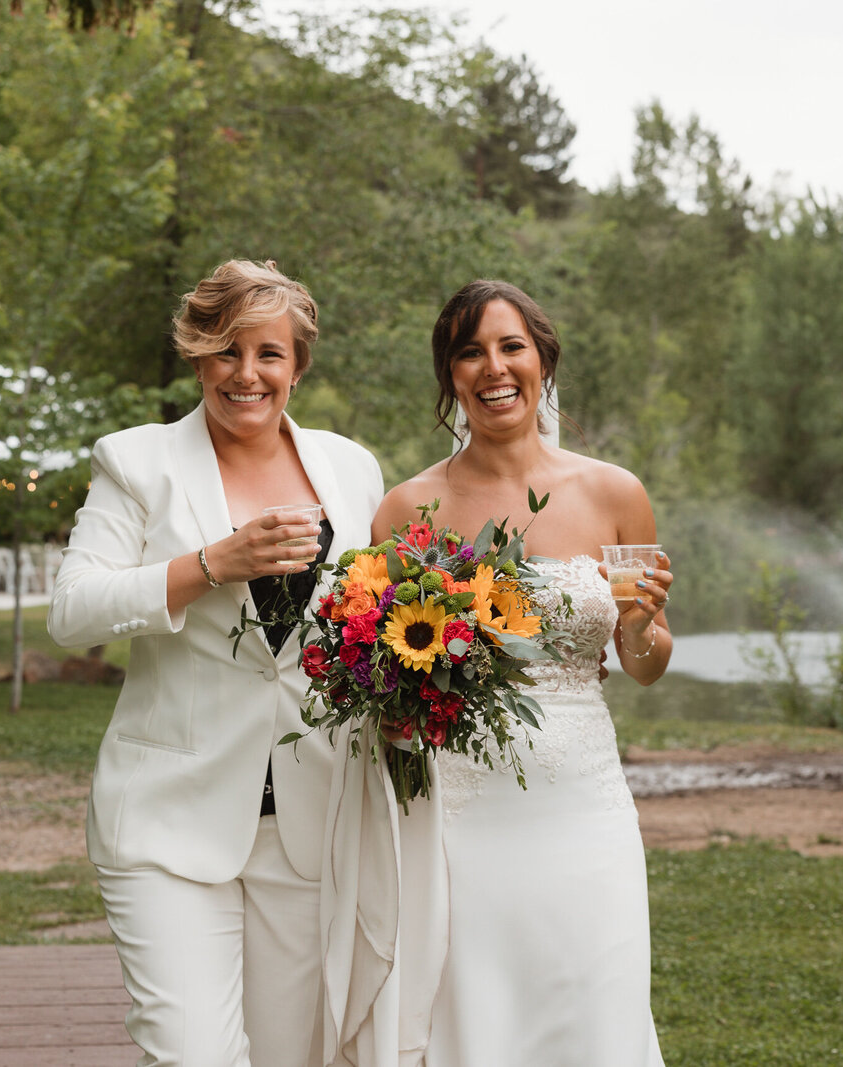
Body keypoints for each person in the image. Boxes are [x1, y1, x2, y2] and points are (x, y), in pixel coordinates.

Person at [322, 280, 674, 1066]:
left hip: (584, 806)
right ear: (450, 376)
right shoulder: (407, 508)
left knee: (594, 999)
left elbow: (643, 667)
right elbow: (381, 672)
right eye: (469, 352)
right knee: (475, 1016)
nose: (494, 367)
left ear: (543, 359)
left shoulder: (616, 492)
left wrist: (641, 625)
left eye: (510, 346)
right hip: (461, 813)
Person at [49, 259, 386, 1067]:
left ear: (297, 365)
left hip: (311, 823)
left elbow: (371, 617)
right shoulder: (136, 462)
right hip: (168, 817)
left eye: (268, 354)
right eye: (224, 351)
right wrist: (212, 562)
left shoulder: (352, 469)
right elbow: (73, 611)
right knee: (191, 1054)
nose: (246, 374)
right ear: (197, 356)